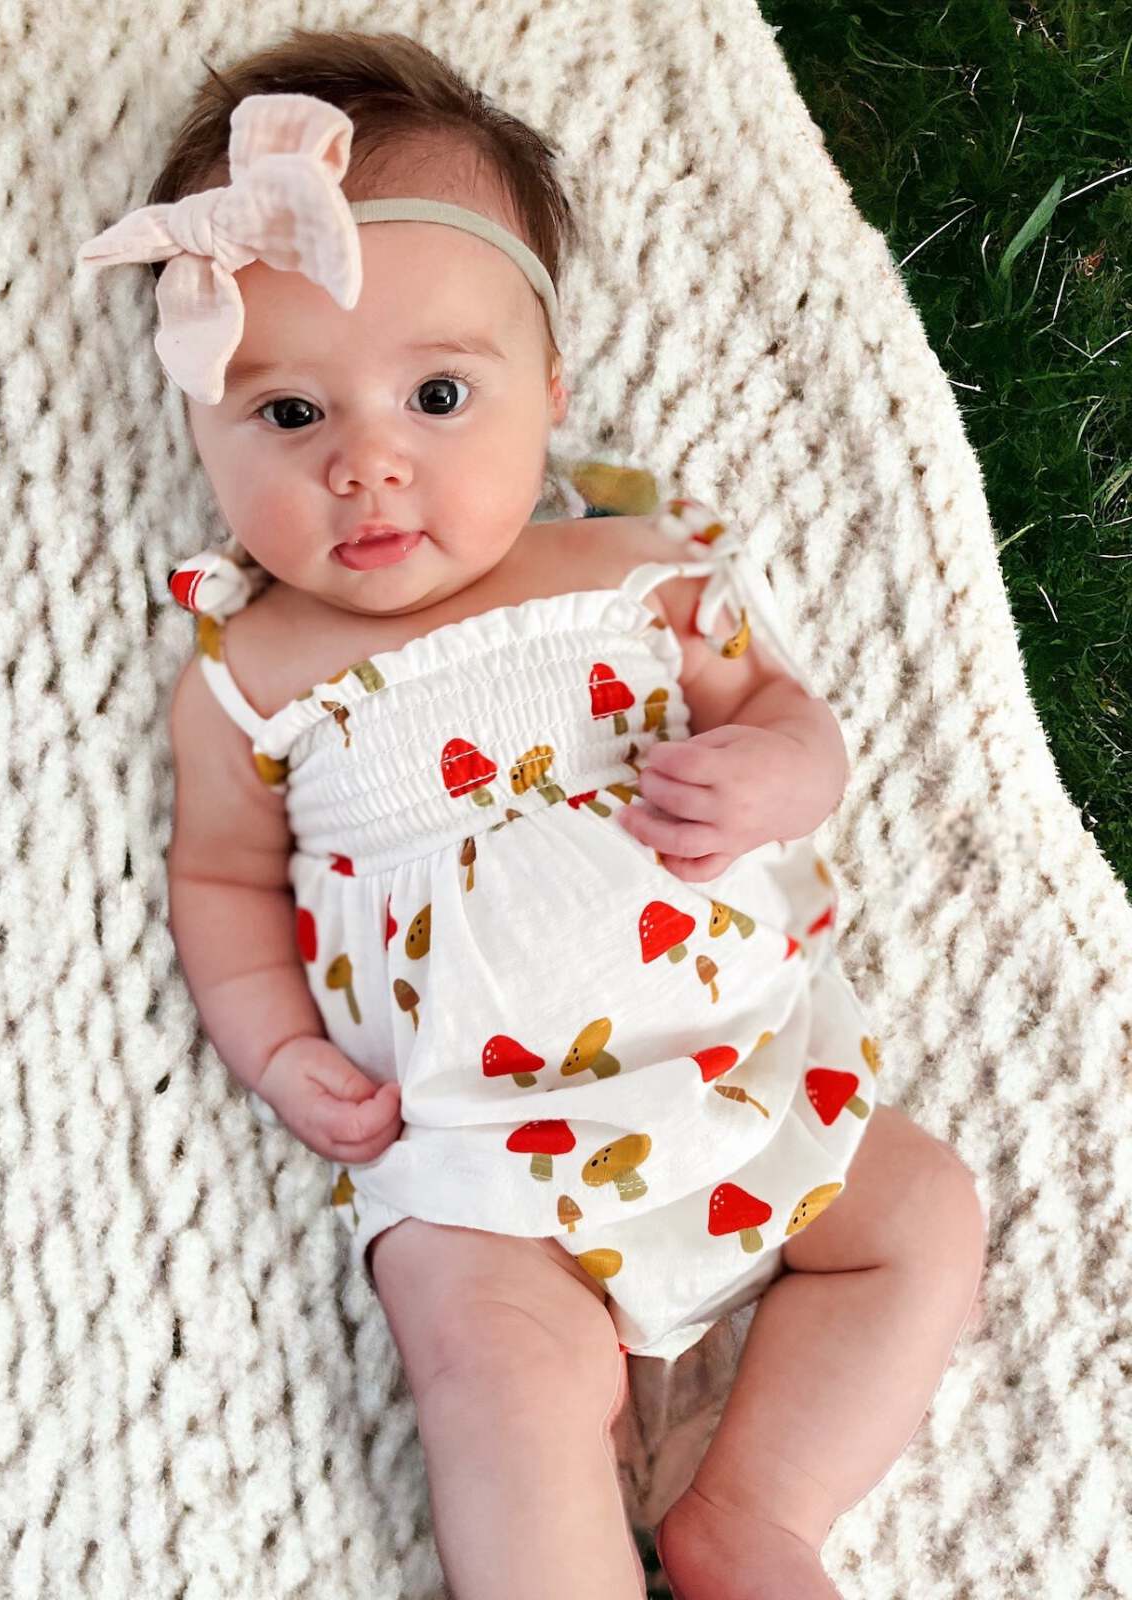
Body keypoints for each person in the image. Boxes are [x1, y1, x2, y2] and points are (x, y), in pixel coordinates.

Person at [77, 29, 987, 1600]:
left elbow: (792, 721)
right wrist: (278, 1047)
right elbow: (219, 880)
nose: (370, 465)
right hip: (478, 1156)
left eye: (437, 394)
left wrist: (777, 770)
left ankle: (754, 1513)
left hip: (725, 1068)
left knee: (920, 1215)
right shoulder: (251, 667)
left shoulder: (634, 566)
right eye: (287, 416)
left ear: (548, 390)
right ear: (203, 432)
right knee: (498, 1386)